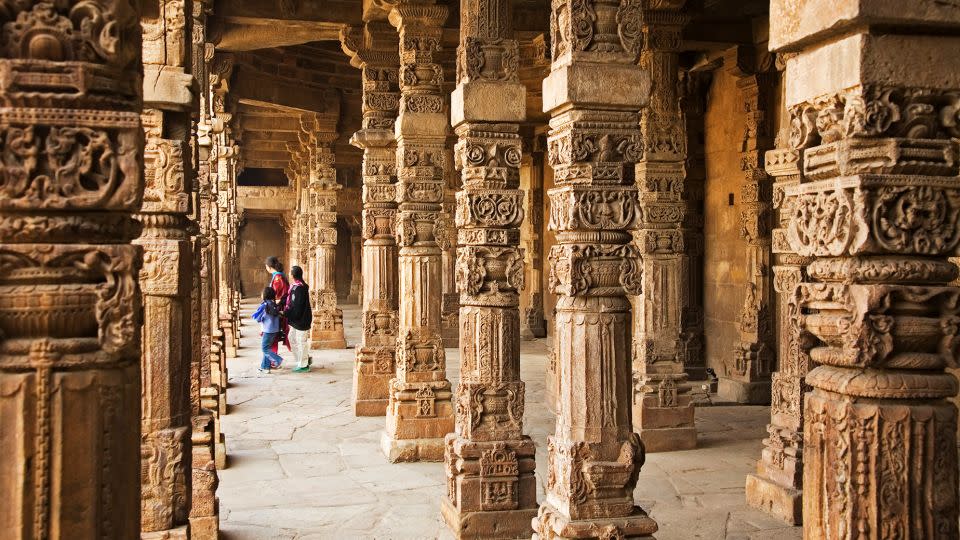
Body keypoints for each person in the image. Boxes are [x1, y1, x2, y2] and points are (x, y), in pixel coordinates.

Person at [283, 265, 315, 372]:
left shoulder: (300, 288)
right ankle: (303, 359)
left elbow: (297, 306)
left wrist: (286, 313)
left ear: (293, 275)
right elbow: (291, 301)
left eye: (290, 272)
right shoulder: (295, 286)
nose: (289, 274)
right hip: (296, 319)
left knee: (301, 342)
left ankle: (303, 365)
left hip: (301, 319)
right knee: (291, 338)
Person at [252, 287, 284, 373]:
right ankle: (265, 367)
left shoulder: (264, 305)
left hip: (267, 330)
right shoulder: (274, 305)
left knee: (264, 348)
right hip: (275, 330)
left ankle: (277, 360)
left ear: (265, 295)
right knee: (268, 348)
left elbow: (258, 318)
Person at [264, 256, 291, 354]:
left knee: (272, 334)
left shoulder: (277, 278)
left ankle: (274, 359)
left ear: (268, 267)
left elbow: (276, 295)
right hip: (278, 306)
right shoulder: (278, 276)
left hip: (278, 308)